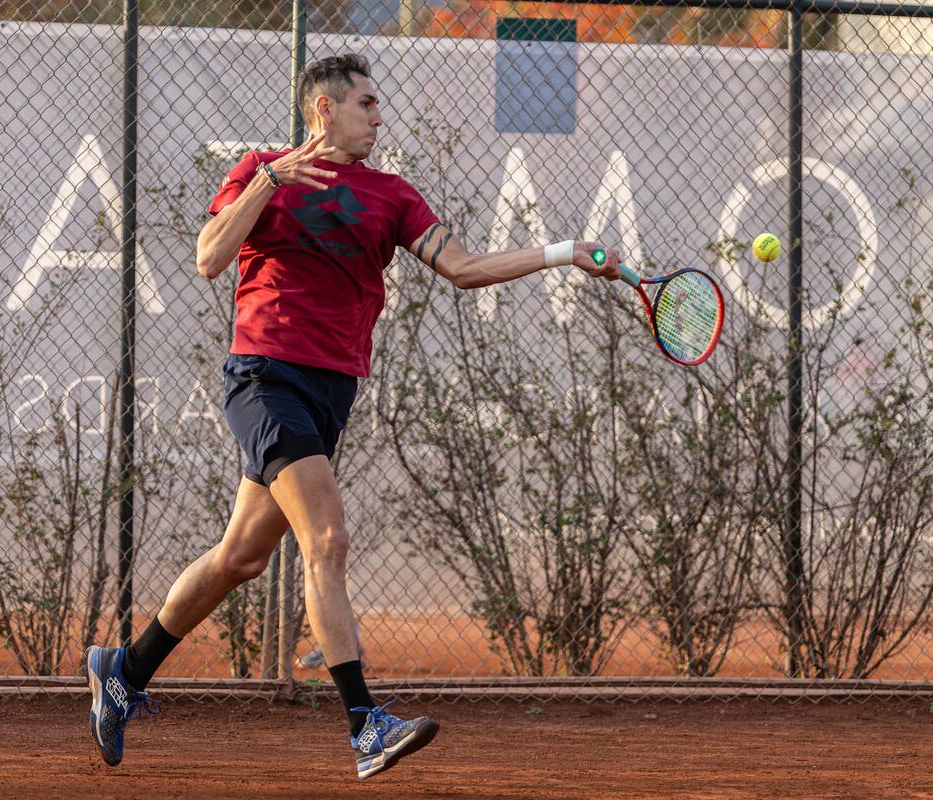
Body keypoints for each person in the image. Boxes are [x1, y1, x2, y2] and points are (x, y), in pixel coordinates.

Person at [84, 52, 621, 780]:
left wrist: (564, 252)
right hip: (264, 377)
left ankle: (124, 670)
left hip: (331, 392)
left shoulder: (392, 195)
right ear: (324, 109)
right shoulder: (261, 170)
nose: (379, 116)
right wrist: (269, 181)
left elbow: (463, 268)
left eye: (378, 104)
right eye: (366, 104)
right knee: (328, 540)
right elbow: (211, 256)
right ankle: (366, 724)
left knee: (241, 556)